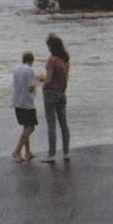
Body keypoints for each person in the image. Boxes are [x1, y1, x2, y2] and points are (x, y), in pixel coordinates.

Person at [40, 34, 71, 164]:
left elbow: (48, 79)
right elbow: (66, 77)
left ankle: (51, 154)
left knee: (51, 123)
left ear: (51, 46)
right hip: (62, 92)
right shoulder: (65, 59)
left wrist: (42, 82)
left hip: (50, 92)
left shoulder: (51, 60)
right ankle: (66, 152)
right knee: (63, 123)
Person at [11, 51, 38, 162]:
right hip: (27, 102)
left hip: (17, 101)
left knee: (25, 126)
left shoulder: (17, 70)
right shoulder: (30, 70)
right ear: (32, 61)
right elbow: (31, 87)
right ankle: (17, 150)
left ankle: (28, 152)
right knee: (31, 127)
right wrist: (39, 81)